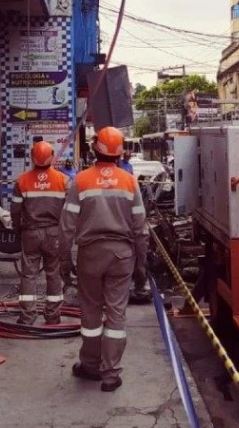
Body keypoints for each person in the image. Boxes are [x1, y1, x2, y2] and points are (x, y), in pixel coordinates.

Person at [60, 126, 149, 392]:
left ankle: (90, 365)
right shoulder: (130, 182)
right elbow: (140, 227)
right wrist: (141, 264)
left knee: (90, 311)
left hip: (90, 255)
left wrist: (65, 262)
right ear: (122, 153)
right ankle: (111, 375)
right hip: (122, 255)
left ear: (92, 149)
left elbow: (66, 227)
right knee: (116, 312)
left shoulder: (81, 181)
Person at [10, 141, 70, 325]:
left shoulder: (22, 181)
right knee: (53, 273)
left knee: (29, 274)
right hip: (54, 233)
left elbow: (15, 210)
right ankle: (53, 316)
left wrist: (16, 226)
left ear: (31, 156)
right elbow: (70, 210)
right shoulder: (63, 180)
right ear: (52, 156)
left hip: (30, 233)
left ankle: (27, 316)